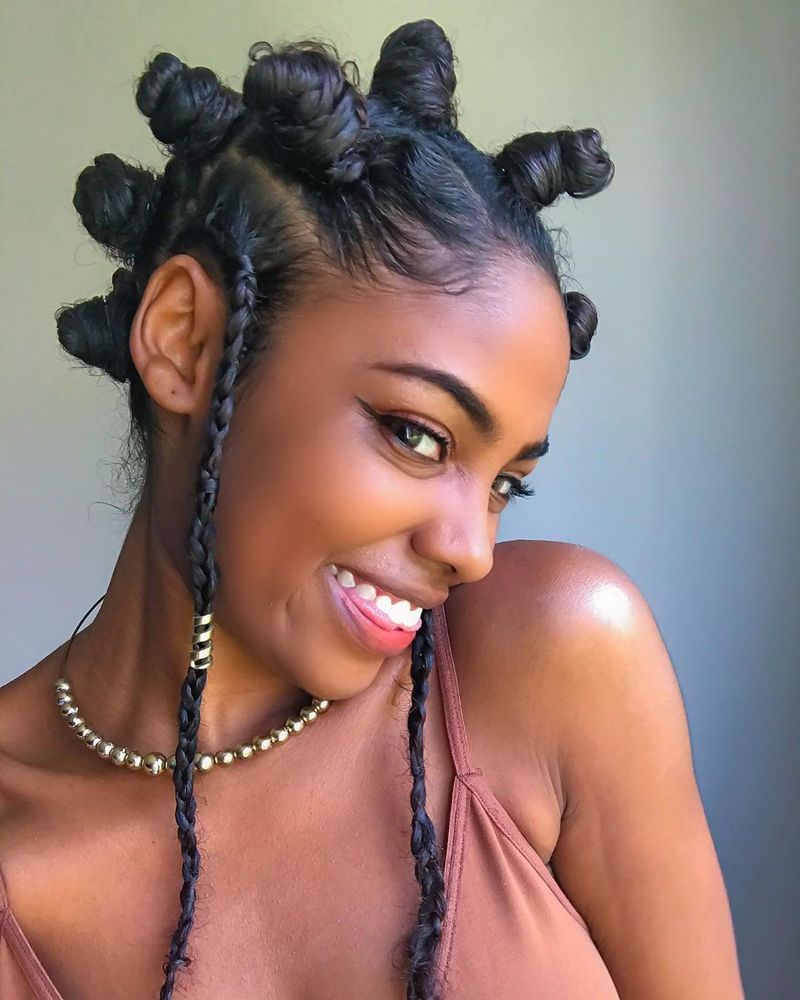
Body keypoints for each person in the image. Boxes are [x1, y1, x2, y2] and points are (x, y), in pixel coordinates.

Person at [0, 18, 745, 1000]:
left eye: (505, 482)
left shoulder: (551, 660)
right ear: (185, 341)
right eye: (417, 435)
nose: (471, 550)